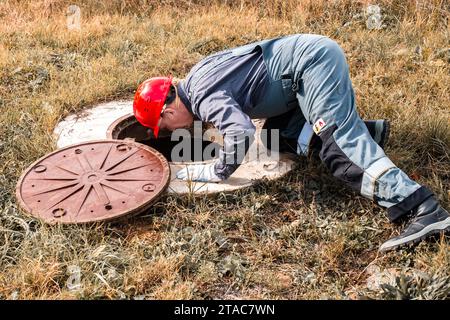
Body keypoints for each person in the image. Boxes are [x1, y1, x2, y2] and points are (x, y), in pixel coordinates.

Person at [132, 34, 450, 251]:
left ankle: (421, 207)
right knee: (278, 138)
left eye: (163, 126)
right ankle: (366, 133)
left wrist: (219, 170)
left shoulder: (201, 97)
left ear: (168, 110)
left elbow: (240, 131)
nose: (171, 133)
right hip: (302, 70)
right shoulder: (196, 77)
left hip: (310, 66)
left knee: (339, 151)